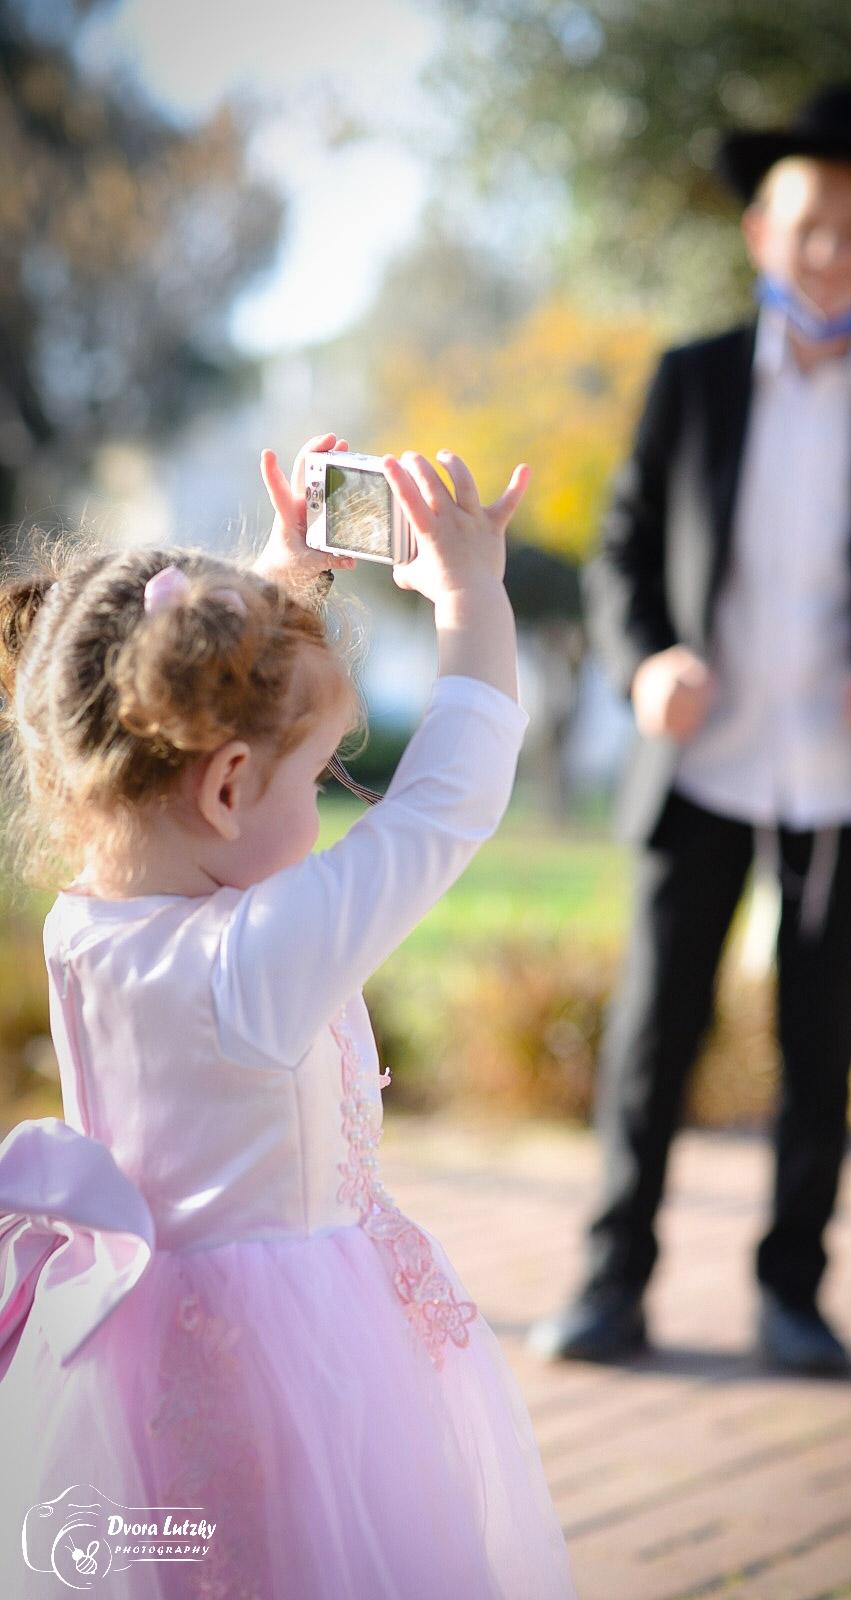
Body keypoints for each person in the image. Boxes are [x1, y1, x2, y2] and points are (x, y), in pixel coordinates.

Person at [0, 432, 576, 1598]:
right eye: (315, 779)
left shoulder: (86, 923)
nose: (321, 811)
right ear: (224, 785)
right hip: (286, 1367)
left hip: (139, 1357)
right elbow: (447, 802)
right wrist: (471, 598)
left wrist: (280, 582)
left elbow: (187, 715)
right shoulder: (256, 957)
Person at [530, 85, 851, 1374]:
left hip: (848, 775)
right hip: (705, 760)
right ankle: (612, 1280)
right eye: (807, 224)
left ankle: (794, 1292)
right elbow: (622, 548)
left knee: (819, 1045)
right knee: (655, 1032)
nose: (831, 249)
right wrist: (643, 665)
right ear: (759, 234)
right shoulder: (692, 380)